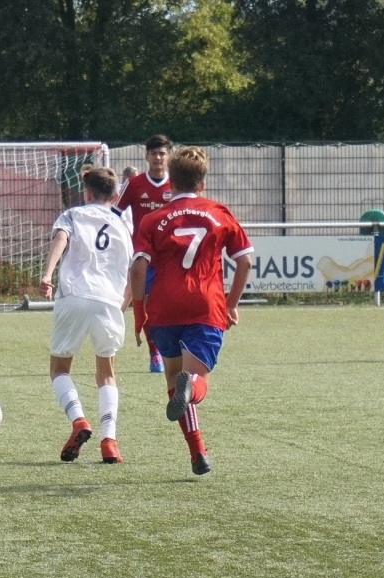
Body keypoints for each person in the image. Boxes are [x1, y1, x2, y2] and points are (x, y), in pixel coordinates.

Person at [129, 146, 254, 476]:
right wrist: (231, 304)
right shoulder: (218, 212)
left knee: (173, 378)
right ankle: (193, 385)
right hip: (204, 305)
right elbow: (244, 261)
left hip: (163, 307)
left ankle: (197, 452)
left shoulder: (153, 219)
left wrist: (139, 313)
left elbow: (138, 268)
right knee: (197, 381)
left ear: (170, 182)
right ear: (202, 182)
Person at [39, 166, 133, 464]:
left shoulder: (73, 215)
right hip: (109, 302)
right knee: (107, 373)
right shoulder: (123, 224)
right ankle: (109, 441)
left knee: (59, 369)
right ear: (114, 196)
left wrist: (47, 275)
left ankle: (79, 420)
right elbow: (133, 270)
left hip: (75, 296)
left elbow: (61, 239)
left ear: (87, 193)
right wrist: (122, 305)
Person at [115, 134, 173, 374]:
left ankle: (174, 347)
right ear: (146, 156)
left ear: (168, 156)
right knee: (147, 304)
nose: (158, 158)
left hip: (172, 256)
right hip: (144, 256)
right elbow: (114, 213)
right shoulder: (134, 184)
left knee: (172, 304)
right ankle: (154, 352)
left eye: (162, 153)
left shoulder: (176, 183)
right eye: (154, 153)